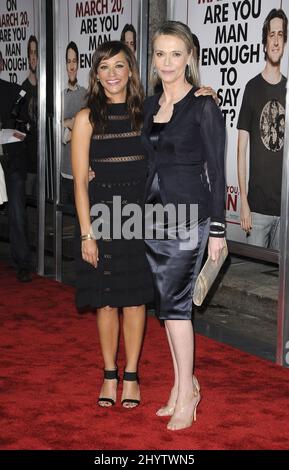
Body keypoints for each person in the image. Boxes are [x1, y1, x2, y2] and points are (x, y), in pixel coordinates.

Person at [142, 21, 226, 431]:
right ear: (153, 58)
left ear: (190, 56)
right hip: (152, 219)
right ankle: (181, 385)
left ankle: (189, 394)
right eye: (160, 53)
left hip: (188, 220)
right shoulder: (149, 105)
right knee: (167, 310)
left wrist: (218, 231)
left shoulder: (204, 105)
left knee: (176, 310)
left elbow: (217, 169)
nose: (168, 62)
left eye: (176, 53)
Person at [71, 41, 154, 408]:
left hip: (138, 220)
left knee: (135, 302)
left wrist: (203, 92)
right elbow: (78, 182)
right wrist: (87, 234)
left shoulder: (147, 113)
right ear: (96, 74)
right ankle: (109, 374)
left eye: (119, 66)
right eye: (104, 67)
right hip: (101, 220)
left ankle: (132, 376)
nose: (112, 74)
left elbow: (184, 114)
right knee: (106, 303)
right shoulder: (86, 118)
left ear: (131, 71)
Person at [237, 8, 288, 250]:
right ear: (265, 42)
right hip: (256, 211)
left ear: (284, 41)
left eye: (280, 34)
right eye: (271, 35)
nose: (276, 40)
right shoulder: (251, 88)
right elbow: (241, 151)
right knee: (254, 281)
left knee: (279, 287)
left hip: (285, 211)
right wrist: (243, 202)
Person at [0, 50, 32, 282]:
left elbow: (25, 129)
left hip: (11, 160)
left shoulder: (14, 92)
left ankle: (22, 262)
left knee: (17, 210)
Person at [61, 42, 86, 204]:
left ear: (78, 63)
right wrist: (74, 123)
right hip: (64, 167)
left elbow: (88, 127)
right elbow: (57, 130)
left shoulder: (85, 93)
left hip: (82, 165)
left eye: (74, 61)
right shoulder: (59, 95)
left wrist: (67, 123)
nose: (72, 65)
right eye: (69, 61)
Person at [21, 35, 38, 197]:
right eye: (31, 53)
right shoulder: (22, 89)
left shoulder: (45, 87)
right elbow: (15, 122)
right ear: (28, 57)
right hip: (27, 165)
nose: (33, 57)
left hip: (43, 165)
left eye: (36, 53)